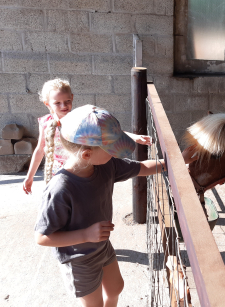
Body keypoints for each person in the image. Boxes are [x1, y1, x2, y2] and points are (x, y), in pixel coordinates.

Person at [34, 105, 197, 307]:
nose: (115, 155)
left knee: (116, 288)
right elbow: (42, 237)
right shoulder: (60, 189)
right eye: (111, 150)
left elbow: (141, 167)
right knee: (93, 304)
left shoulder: (105, 165)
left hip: (102, 246)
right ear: (86, 154)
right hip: (78, 259)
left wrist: (178, 161)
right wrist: (86, 235)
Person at [23, 78, 151, 194]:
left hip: (82, 166)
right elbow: (40, 150)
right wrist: (30, 176)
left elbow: (104, 131)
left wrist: (134, 137)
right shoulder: (45, 122)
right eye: (57, 103)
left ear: (72, 97)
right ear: (47, 103)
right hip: (58, 171)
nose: (64, 106)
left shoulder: (79, 118)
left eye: (67, 101)